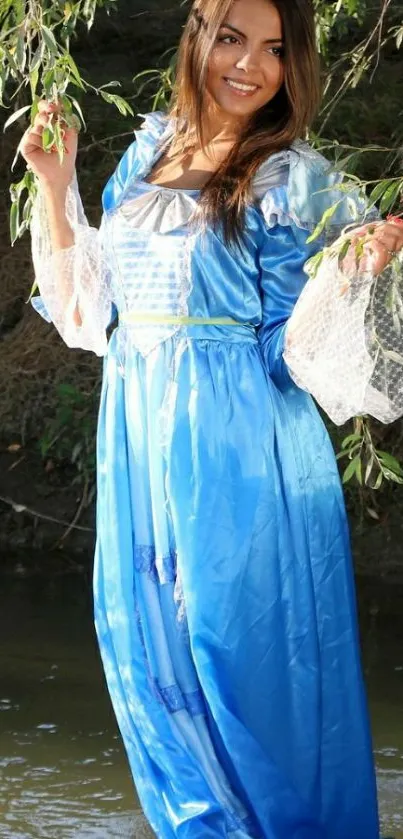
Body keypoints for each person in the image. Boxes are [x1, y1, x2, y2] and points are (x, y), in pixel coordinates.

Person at [20, 0, 403, 836]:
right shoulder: (145, 153)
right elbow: (91, 314)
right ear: (197, 36)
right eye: (231, 37)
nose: (250, 65)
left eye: (273, 48)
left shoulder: (296, 179)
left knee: (244, 663)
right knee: (148, 652)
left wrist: (350, 274)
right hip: (138, 437)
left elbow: (290, 352)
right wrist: (57, 187)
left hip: (242, 451)